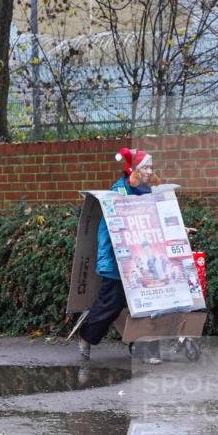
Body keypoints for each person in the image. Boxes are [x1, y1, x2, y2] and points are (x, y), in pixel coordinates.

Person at [78, 148, 162, 364]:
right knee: (111, 304)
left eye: (152, 166)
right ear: (133, 169)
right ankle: (87, 337)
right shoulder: (119, 191)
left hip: (142, 260)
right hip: (118, 259)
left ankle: (142, 347)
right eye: (146, 167)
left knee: (145, 305)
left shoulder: (149, 192)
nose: (150, 171)